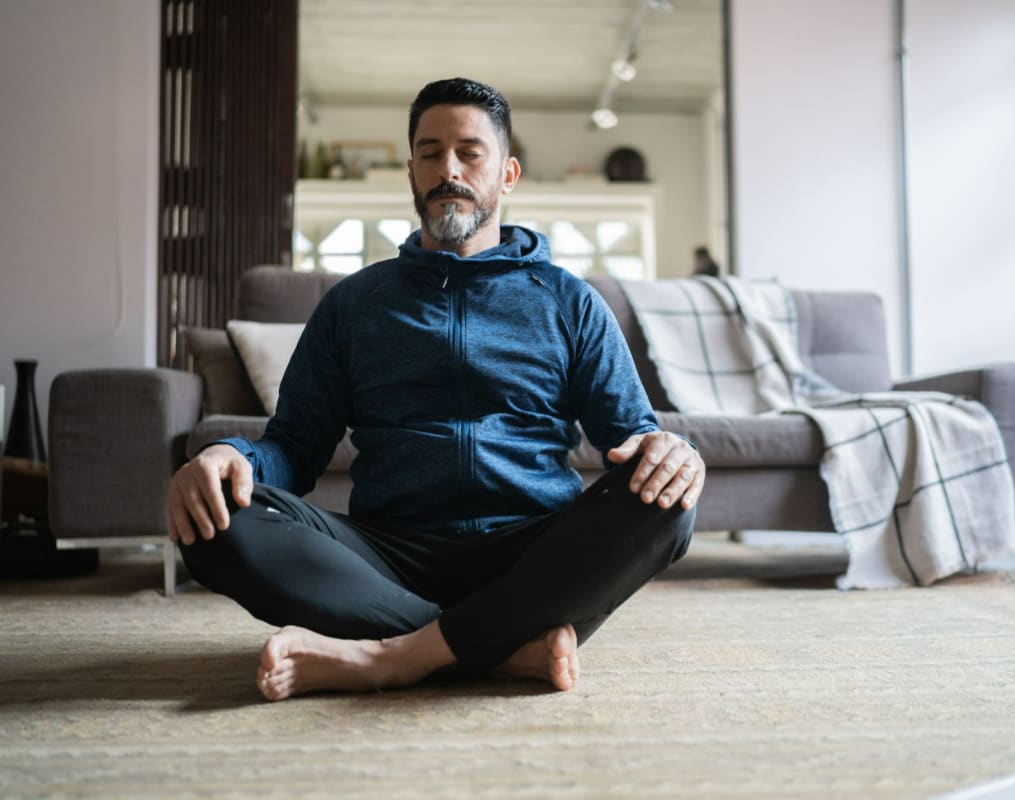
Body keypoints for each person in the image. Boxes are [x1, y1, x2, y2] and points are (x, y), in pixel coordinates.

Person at [166, 78, 704, 702]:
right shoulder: (354, 305)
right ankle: (497, 650)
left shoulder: (569, 303)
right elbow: (294, 448)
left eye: (470, 152)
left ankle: (396, 656)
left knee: (670, 499)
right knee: (210, 515)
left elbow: (632, 439)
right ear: (412, 170)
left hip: (530, 549)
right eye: (430, 152)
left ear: (507, 174)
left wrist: (671, 450)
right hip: (387, 553)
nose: (448, 169)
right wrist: (229, 456)